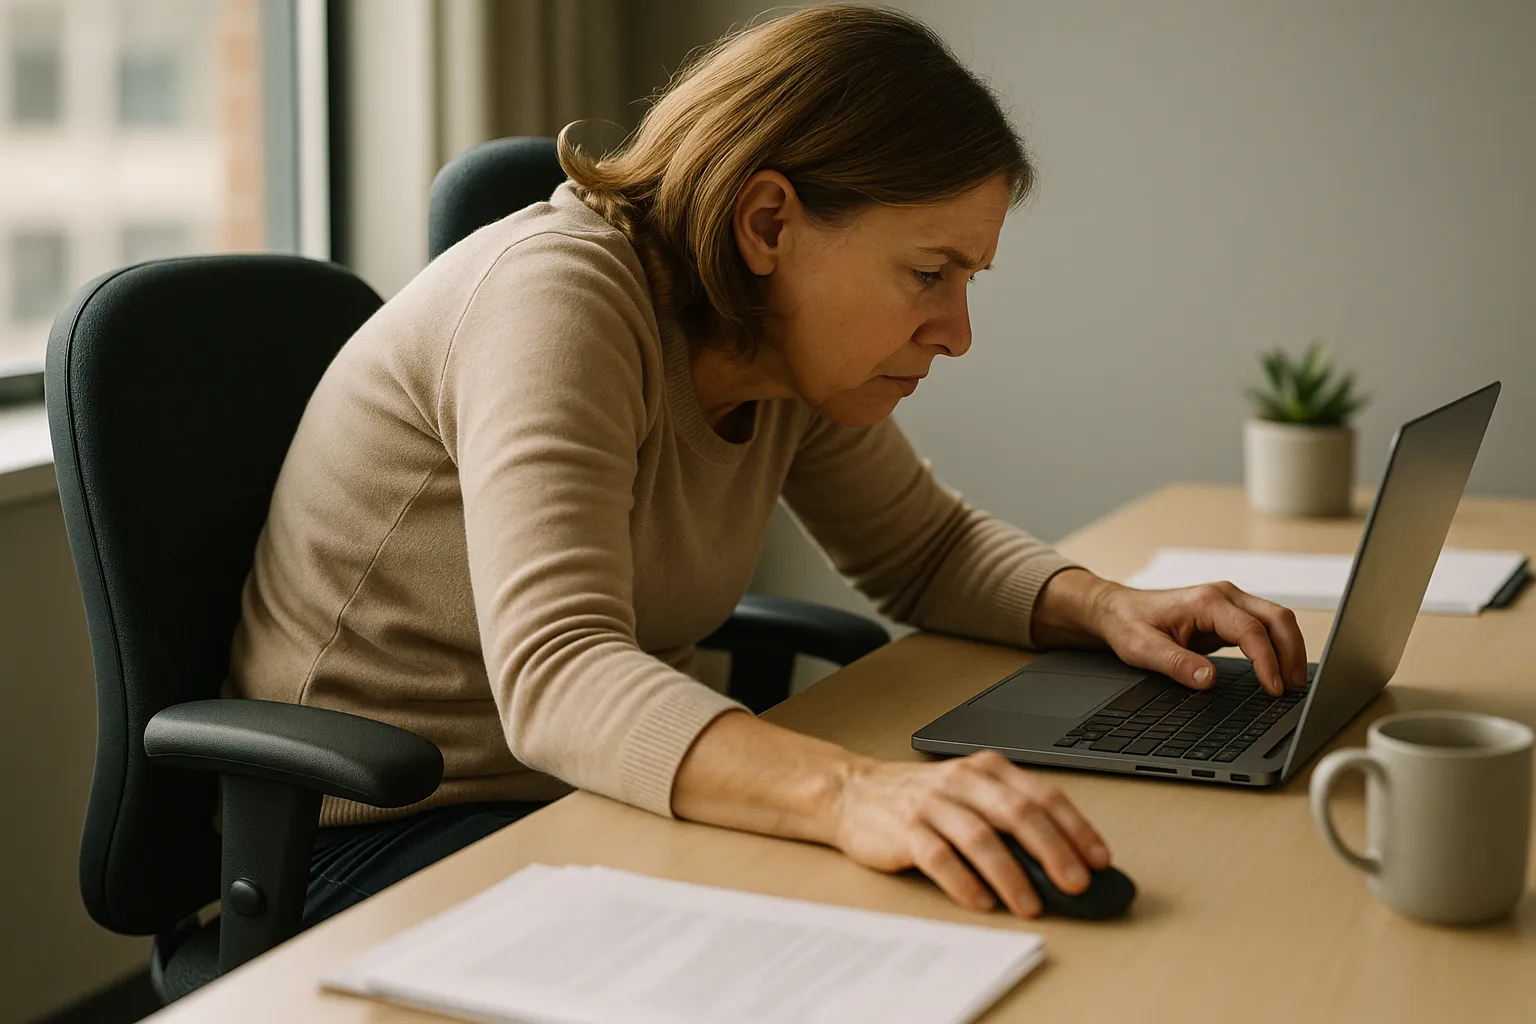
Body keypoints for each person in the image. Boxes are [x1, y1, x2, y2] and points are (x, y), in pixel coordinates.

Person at [229, 4, 1308, 927]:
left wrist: (1108, 606)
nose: (957, 330)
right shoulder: (557, 298)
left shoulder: (785, 358)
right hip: (377, 844)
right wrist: (849, 791)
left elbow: (924, 550)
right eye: (931, 272)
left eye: (967, 277)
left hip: (578, 797)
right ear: (768, 221)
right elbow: (558, 674)